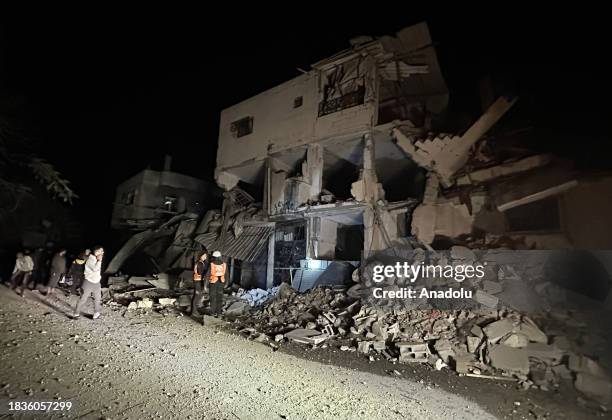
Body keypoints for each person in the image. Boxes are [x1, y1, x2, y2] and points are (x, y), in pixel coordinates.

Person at [73, 246, 104, 319]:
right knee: (83, 298)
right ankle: (76, 313)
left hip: (96, 283)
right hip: (88, 282)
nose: (103, 252)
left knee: (98, 298)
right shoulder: (90, 259)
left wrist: (99, 260)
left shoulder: (97, 259)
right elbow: (95, 269)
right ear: (96, 252)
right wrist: (99, 261)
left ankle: (96, 313)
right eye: (101, 251)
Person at [191, 249, 209, 322]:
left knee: (196, 296)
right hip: (197, 281)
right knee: (196, 296)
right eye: (204, 255)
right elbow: (200, 272)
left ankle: (194, 311)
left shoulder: (199, 262)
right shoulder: (200, 263)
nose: (205, 257)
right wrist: (206, 274)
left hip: (196, 280)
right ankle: (194, 313)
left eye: (206, 256)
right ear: (201, 255)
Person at [208, 250, 227, 316]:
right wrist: (226, 283)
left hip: (213, 283)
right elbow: (227, 275)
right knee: (219, 298)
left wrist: (205, 285)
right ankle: (219, 313)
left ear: (213, 257)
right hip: (221, 283)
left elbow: (207, 275)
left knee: (213, 298)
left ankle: (213, 313)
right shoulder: (224, 264)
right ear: (220, 257)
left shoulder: (211, 264)